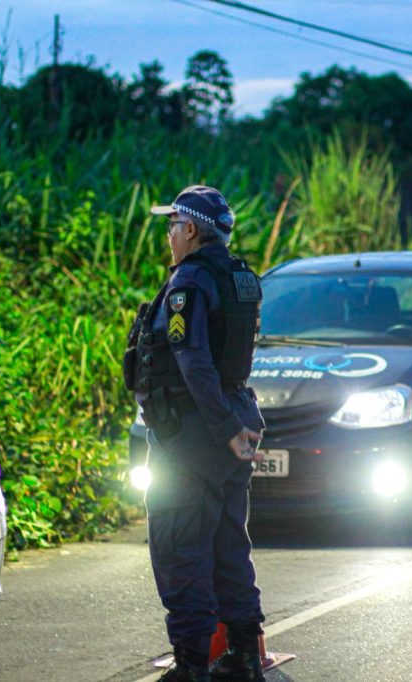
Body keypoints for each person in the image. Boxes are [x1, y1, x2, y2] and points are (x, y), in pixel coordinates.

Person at [123, 185, 267, 682]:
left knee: (179, 547)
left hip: (193, 435)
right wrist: (235, 427)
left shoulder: (189, 282)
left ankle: (190, 666)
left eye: (171, 227)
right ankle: (245, 655)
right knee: (229, 545)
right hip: (234, 418)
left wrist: (224, 429)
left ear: (189, 229)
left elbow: (192, 361)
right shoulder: (241, 277)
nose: (168, 236)